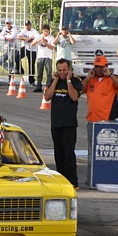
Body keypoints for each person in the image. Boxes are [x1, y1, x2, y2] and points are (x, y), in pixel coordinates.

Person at [44, 58, 82, 189]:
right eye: (59, 70)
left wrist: (69, 80)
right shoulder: (54, 81)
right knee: (58, 153)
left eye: (64, 70)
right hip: (56, 123)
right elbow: (47, 97)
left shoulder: (75, 81)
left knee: (68, 153)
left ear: (69, 70)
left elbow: (74, 97)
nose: (62, 73)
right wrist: (54, 81)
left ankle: (72, 181)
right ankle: (60, 179)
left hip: (69, 124)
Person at [83, 55, 118, 122]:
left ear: (106, 66)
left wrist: (110, 74)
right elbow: (79, 89)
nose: (98, 69)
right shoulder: (90, 79)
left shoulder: (112, 79)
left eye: (100, 66)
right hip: (92, 119)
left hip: (108, 119)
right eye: (96, 66)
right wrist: (88, 78)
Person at [30, 25, 55, 92]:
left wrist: (45, 43)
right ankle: (38, 86)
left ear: (49, 31)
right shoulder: (39, 36)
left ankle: (48, 86)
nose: (45, 33)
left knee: (49, 72)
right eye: (44, 31)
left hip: (48, 57)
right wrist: (39, 40)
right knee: (39, 73)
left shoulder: (51, 38)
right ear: (42, 31)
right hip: (40, 56)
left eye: (46, 31)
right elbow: (32, 44)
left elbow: (52, 47)